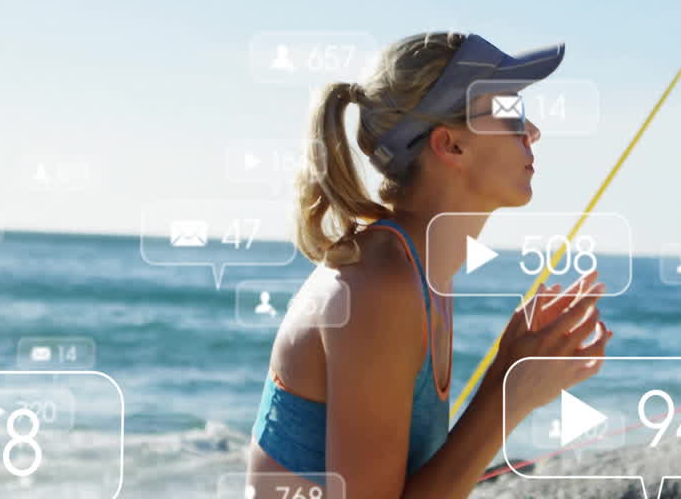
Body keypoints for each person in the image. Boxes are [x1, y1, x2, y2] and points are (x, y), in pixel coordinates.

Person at [247, 32, 612, 498]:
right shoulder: (379, 288)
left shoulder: (422, 272)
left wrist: (512, 376)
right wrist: (507, 392)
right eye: (509, 113)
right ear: (450, 145)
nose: (532, 131)